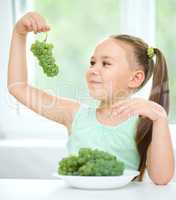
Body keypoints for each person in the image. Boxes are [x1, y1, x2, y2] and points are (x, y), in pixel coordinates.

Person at [7, 12, 175, 184]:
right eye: (92, 62)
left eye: (106, 63)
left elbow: (162, 179)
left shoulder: (144, 122)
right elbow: (18, 87)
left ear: (135, 78)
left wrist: (160, 118)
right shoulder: (74, 114)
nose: (93, 70)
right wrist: (19, 34)